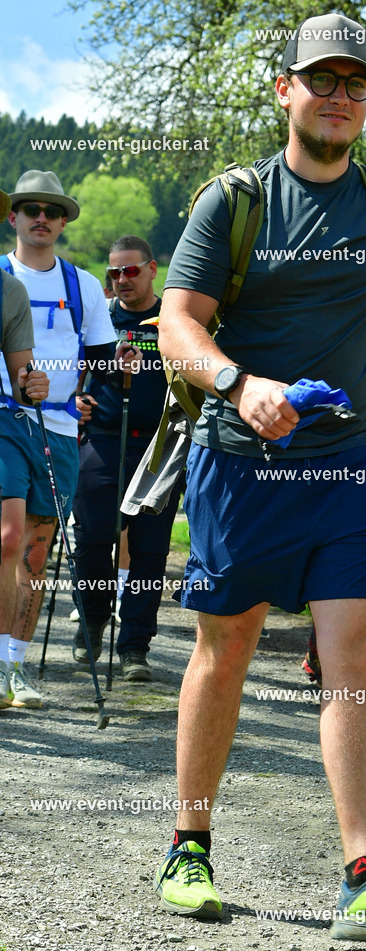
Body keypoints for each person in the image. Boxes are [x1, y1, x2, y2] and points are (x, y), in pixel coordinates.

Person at [153, 13, 366, 944]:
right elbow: (177, 322)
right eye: (321, 79)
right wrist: (239, 384)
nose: (338, 96)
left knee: (359, 657)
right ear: (285, 90)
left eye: (355, 84)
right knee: (226, 650)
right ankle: (189, 844)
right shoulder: (236, 199)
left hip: (354, 466)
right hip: (242, 466)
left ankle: (365, 876)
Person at [0, 170, 135, 709]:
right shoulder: (0, 277)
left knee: (35, 553)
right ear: (13, 217)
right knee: (8, 538)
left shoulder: (80, 285)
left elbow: (101, 359)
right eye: (31, 208)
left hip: (58, 430)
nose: (41, 218)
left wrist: (117, 368)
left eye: (51, 212)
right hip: (5, 417)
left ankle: (16, 667)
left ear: (62, 223)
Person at [71, 236, 182, 682]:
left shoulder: (172, 322)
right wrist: (73, 402)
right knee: (95, 537)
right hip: (101, 440)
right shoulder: (100, 318)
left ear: (153, 269)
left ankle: (135, 645)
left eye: (131, 271)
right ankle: (94, 619)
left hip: (158, 446)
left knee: (151, 551)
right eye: (113, 273)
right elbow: (70, 374)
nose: (121, 280)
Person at [0, 185, 50, 709]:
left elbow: (22, 375)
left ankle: (0, 668)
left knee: (11, 538)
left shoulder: (8, 290)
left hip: (3, 423)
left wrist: (32, 383)